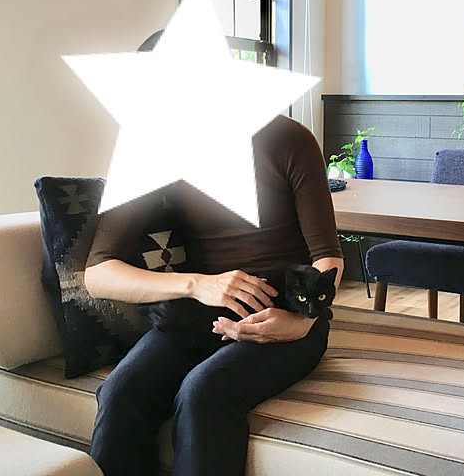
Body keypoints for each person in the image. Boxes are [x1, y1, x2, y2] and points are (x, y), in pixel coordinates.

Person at [84, 114, 344, 476]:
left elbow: (328, 257)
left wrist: (302, 321)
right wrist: (197, 284)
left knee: (202, 392)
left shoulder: (289, 138)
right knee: (120, 392)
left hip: (285, 315)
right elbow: (98, 275)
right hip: (198, 315)